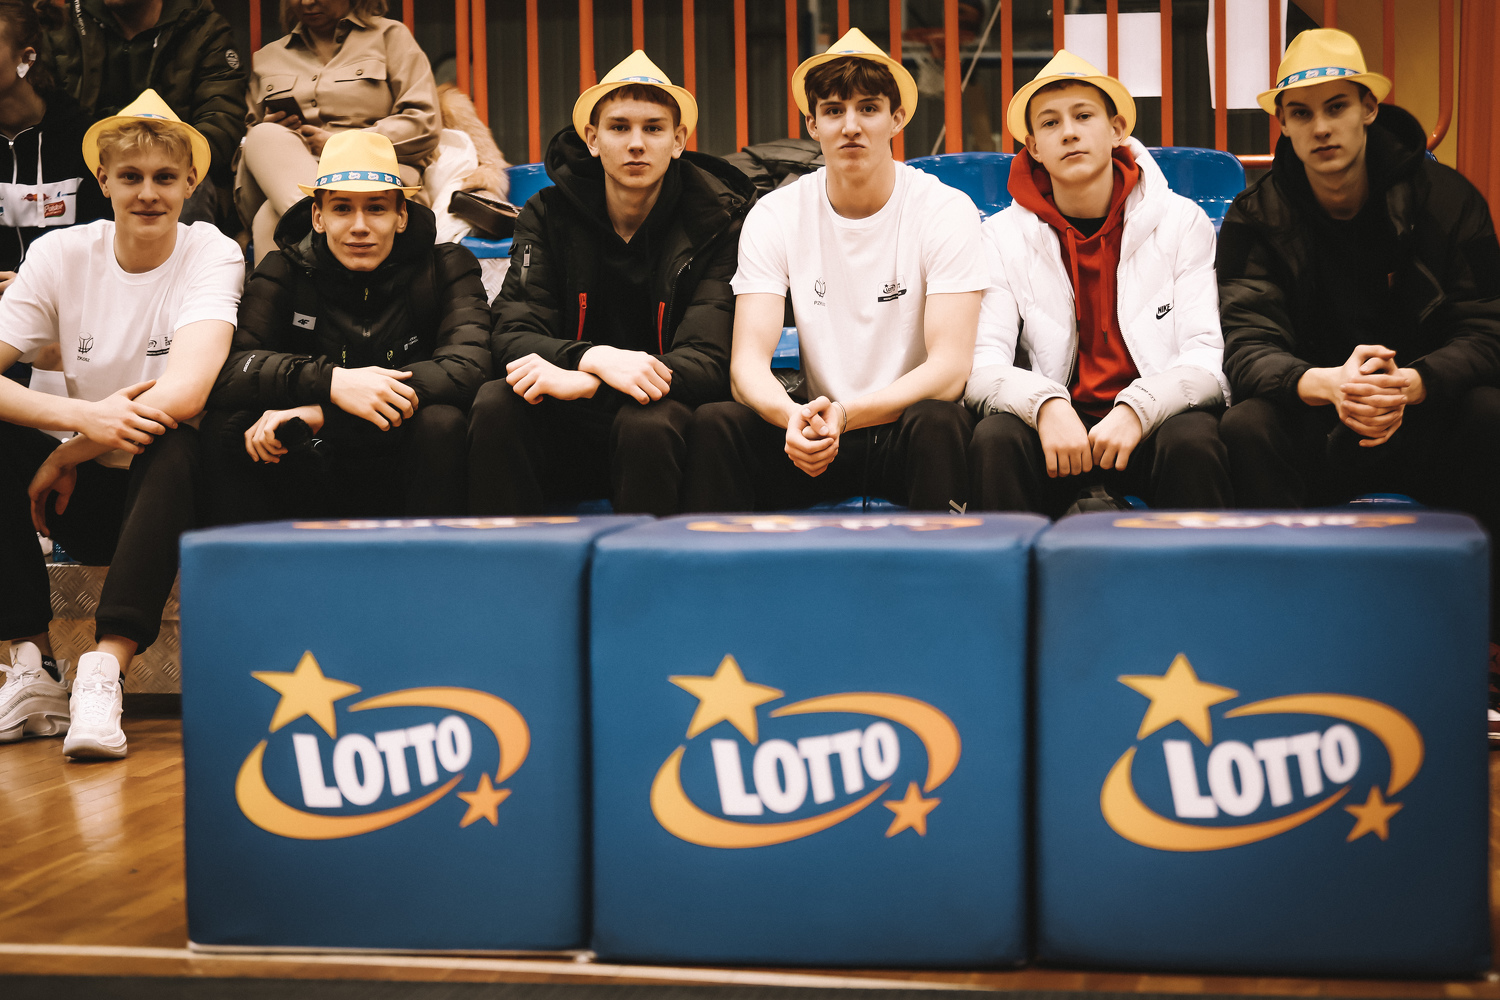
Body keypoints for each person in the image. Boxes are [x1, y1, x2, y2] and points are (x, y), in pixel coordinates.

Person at [1217, 28, 1500, 639]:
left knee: (1490, 412)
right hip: (1318, 424)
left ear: (1369, 109)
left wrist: (1414, 384)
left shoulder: (1448, 200)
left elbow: (1487, 328)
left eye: (1336, 107)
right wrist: (1328, 385)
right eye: (1301, 113)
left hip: (1424, 417)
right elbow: (1246, 346)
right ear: (1283, 125)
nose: (1321, 128)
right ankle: (1282, 633)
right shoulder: (1253, 217)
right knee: (1245, 425)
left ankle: (1485, 643)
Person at [0, 90, 243, 758]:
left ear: (190, 183)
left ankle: (104, 670)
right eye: (130, 177)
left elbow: (186, 392)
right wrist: (83, 417)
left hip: (174, 501)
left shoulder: (212, 252)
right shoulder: (59, 254)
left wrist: (71, 449)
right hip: (82, 501)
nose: (148, 193)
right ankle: (33, 665)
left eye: (165, 177)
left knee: (174, 440)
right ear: (102, 181)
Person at [683, 29, 985, 513]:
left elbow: (949, 371)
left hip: (903, 429)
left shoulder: (944, 209)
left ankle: (942, 560)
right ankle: (719, 561)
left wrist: (847, 414)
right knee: (717, 422)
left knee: (939, 420)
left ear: (897, 118)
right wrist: (792, 418)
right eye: (833, 110)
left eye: (868, 108)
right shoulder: (777, 213)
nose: (850, 126)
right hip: (813, 432)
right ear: (812, 123)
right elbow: (745, 367)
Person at [467, 51, 755, 516]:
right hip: (565, 414)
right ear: (593, 139)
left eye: (653, 128)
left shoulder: (718, 220)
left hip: (662, 419)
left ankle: (647, 561)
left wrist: (586, 384)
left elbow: (707, 362)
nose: (636, 144)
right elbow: (512, 333)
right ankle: (509, 557)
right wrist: (593, 357)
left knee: (648, 422)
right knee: (497, 401)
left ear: (678, 141)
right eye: (619, 127)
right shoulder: (548, 213)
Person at [965, 51, 1230, 515]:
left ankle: (1197, 564)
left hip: (1151, 422)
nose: (1068, 132)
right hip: (1056, 429)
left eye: (1083, 116)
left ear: (1116, 129)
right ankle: (1008, 563)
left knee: (1195, 439)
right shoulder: (1001, 236)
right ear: (1033, 147)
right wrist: (1044, 406)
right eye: (1050, 123)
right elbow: (983, 363)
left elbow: (1207, 357)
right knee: (995, 438)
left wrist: (1138, 409)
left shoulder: (1181, 222)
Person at [204, 130, 489, 521]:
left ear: (401, 216)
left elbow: (470, 369)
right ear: (318, 217)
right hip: (312, 466)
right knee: (227, 426)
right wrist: (333, 382)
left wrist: (327, 410)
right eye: (342, 208)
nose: (359, 226)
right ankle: (252, 559)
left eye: (376, 208)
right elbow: (233, 370)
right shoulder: (282, 270)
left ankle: (432, 558)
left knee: (442, 422)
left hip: (405, 458)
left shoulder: (446, 267)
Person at [237, 0, 439, 264]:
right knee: (263, 134)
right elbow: (249, 144)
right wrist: (274, 128)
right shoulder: (268, 57)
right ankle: (327, 239)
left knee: (269, 219)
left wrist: (341, 144)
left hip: (374, 172)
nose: (307, 2)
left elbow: (424, 122)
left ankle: (319, 239)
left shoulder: (390, 36)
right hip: (291, 173)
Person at [38, 0, 247, 226]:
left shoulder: (203, 27)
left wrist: (160, 163)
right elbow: (45, 120)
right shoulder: (64, 25)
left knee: (183, 181)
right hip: (86, 168)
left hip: (173, 167)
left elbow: (222, 121)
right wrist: (110, 166)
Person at [0, 0, 111, 297]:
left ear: (26, 59)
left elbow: (104, 249)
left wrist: (34, 287)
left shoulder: (81, 139)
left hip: (66, 302)